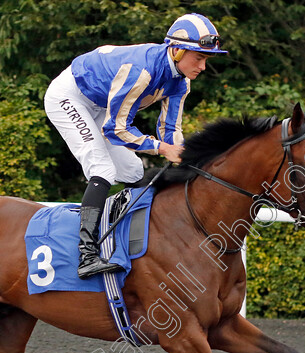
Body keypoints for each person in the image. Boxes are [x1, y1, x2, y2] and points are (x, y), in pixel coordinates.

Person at [44, 13, 227, 279]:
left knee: (133, 171)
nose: (203, 66)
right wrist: (163, 150)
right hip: (69, 97)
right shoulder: (141, 72)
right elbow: (116, 129)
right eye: (198, 57)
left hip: (100, 105)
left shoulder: (181, 81)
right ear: (176, 51)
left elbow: (170, 131)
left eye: (206, 59)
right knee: (103, 169)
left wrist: (185, 159)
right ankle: (86, 255)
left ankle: (129, 240)